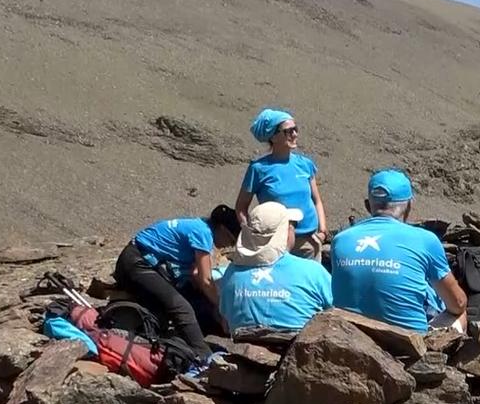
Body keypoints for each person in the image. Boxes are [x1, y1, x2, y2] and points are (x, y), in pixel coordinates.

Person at [330, 170, 468, 333]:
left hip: (350, 337)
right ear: (409, 205)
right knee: (460, 312)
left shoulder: (340, 240)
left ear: (368, 205)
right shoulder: (425, 240)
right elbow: (457, 303)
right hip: (409, 345)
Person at [113, 205, 240, 358]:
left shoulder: (199, 226)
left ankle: (195, 335)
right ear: (221, 228)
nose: (229, 245)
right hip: (136, 263)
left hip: (139, 259)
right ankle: (204, 357)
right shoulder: (203, 233)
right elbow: (205, 279)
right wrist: (223, 310)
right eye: (231, 240)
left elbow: (195, 274)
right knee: (182, 308)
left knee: (195, 298)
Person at [218, 202, 333, 335]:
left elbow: (226, 324)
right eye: (291, 226)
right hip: (299, 349)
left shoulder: (231, 275)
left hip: (244, 346)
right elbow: (338, 311)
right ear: (285, 232)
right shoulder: (313, 272)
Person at [235, 108, 328, 261]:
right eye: (288, 131)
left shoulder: (305, 164)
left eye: (295, 129)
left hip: (309, 242)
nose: (295, 134)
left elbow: (316, 200)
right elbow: (241, 207)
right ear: (273, 136)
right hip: (276, 243)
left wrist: (322, 231)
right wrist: (251, 234)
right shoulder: (258, 169)